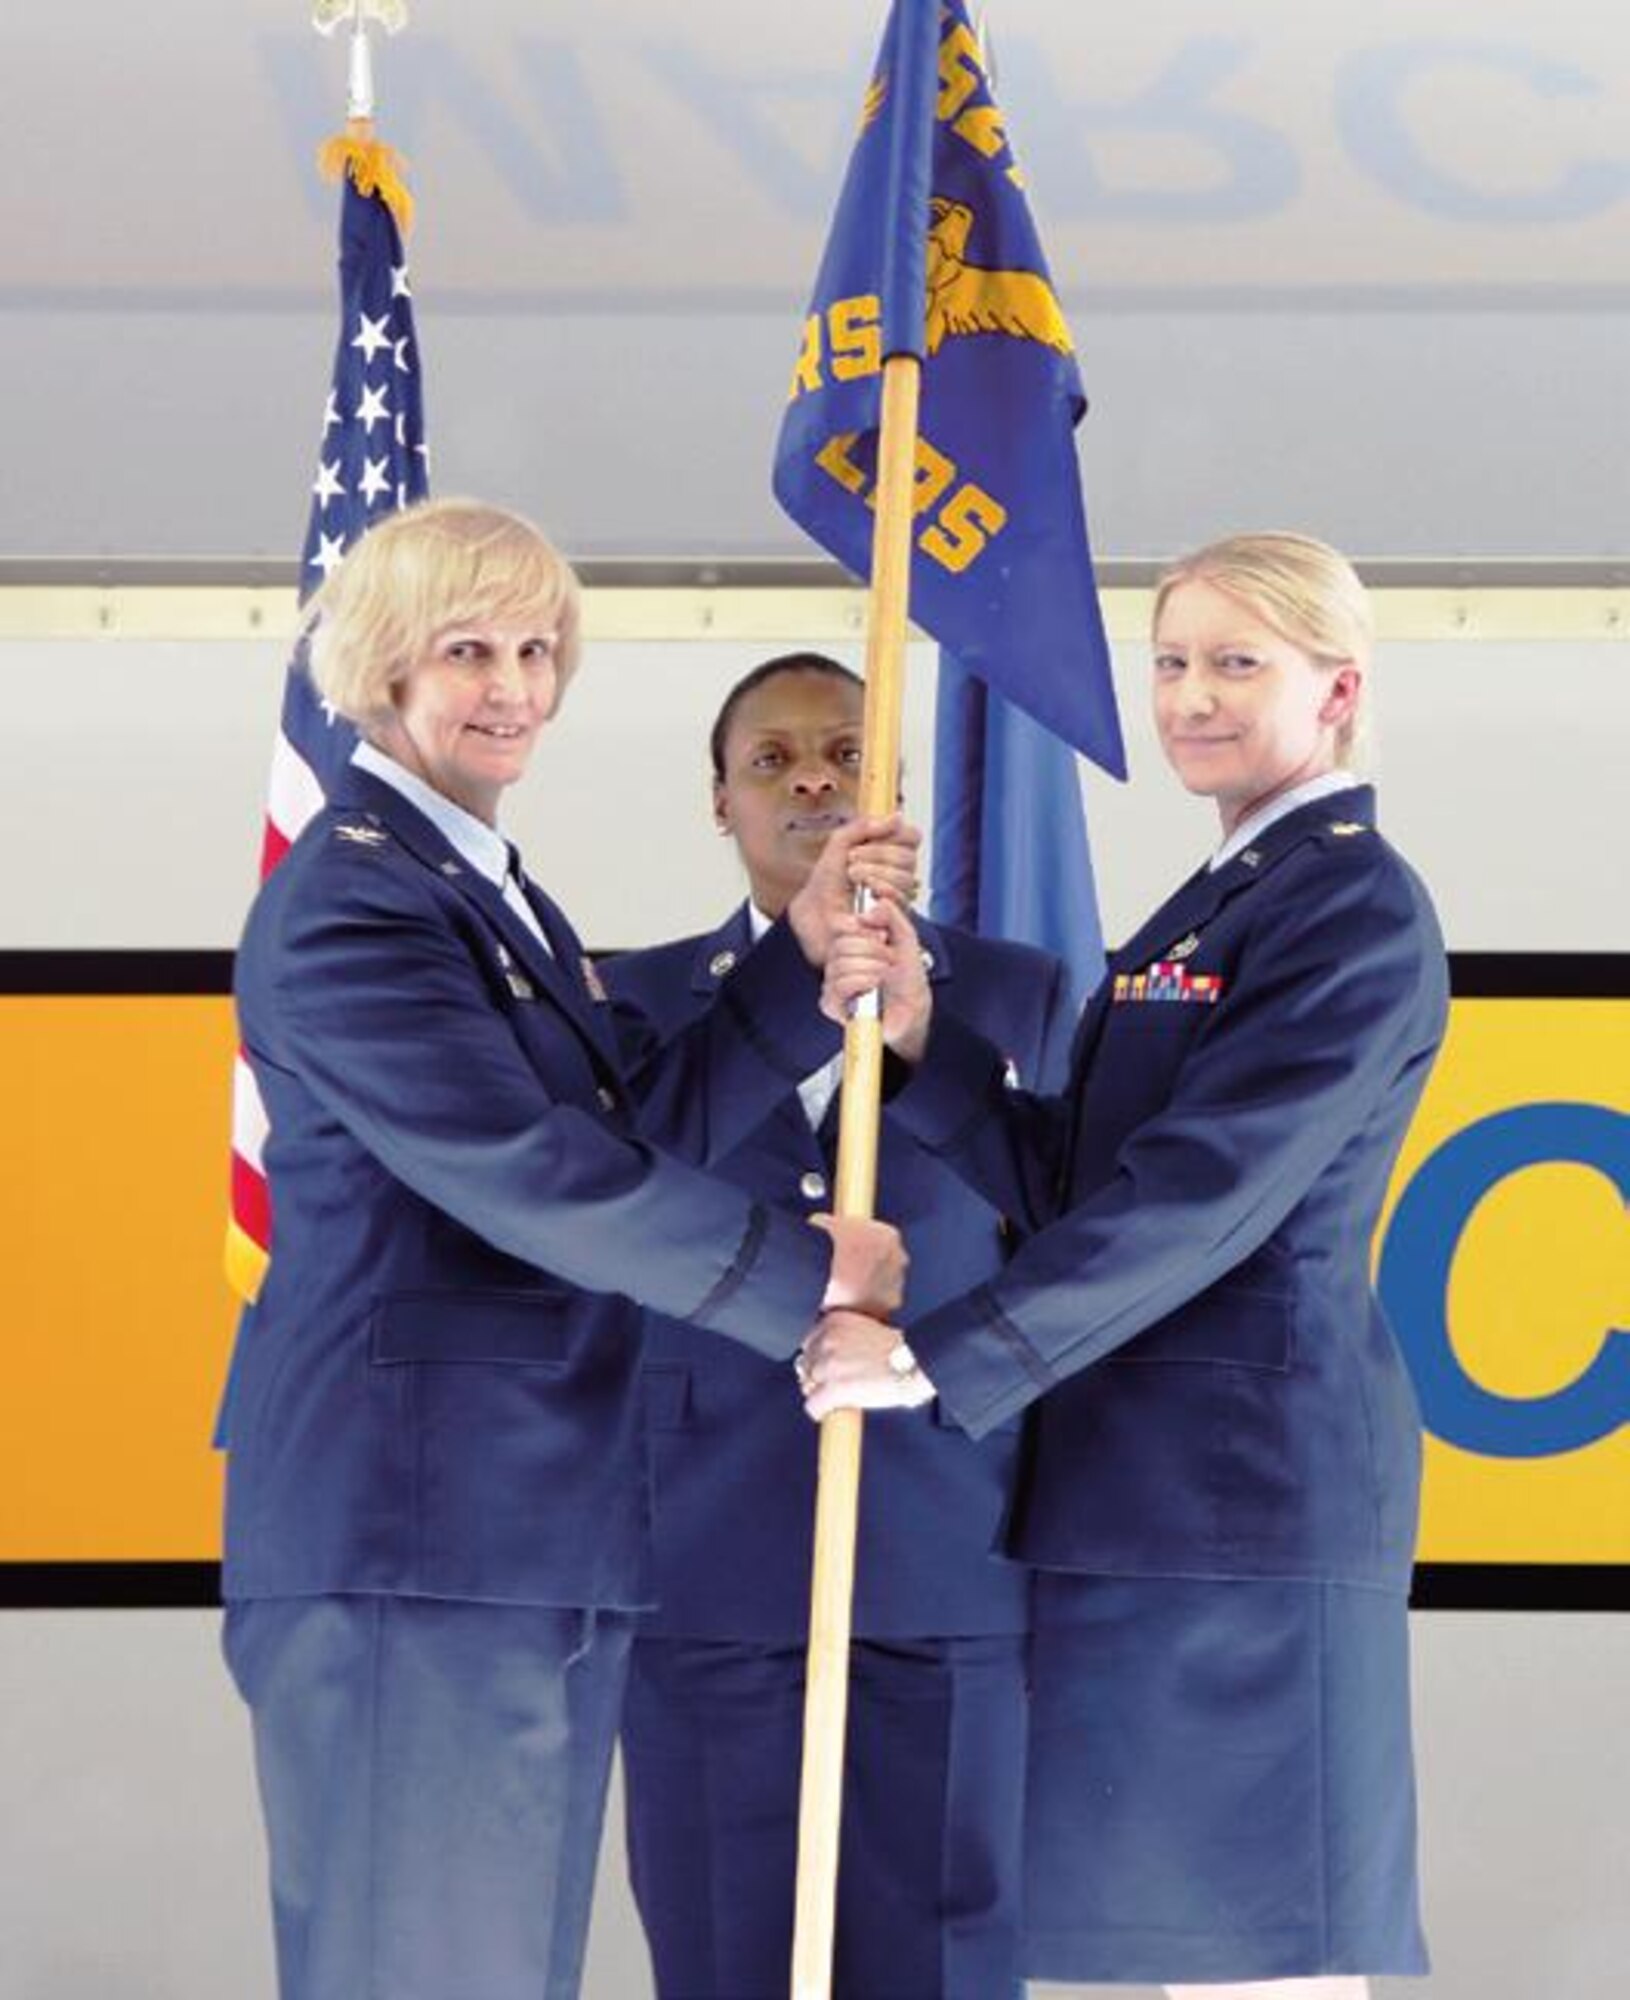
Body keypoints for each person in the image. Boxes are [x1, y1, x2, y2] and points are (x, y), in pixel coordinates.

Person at [218, 500, 909, 2000]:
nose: (513, 684)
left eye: (536, 648)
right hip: (421, 1537)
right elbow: (527, 1178)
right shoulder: (352, 899)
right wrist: (808, 1281)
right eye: (468, 649)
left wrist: (791, 971)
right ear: (381, 666)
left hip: (518, 1537)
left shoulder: (482, 889)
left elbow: (620, 1130)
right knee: (426, 1967)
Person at [806, 533, 1447, 1999]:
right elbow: (1086, 1180)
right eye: (1168, 662)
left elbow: (1204, 1196)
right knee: (1194, 1959)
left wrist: (928, 1356)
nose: (1189, 698)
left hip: (1235, 1506)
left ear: (1337, 689)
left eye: (1236, 663)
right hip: (1148, 1495)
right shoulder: (1227, 896)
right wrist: (922, 1041)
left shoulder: (1344, 904)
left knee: (1258, 1968)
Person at [602, 653, 1076, 2000]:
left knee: (941, 1960)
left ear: (900, 787)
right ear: (720, 803)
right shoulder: (631, 1000)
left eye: (844, 753)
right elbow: (613, 1200)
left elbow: (1064, 1240)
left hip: (943, 1549)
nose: (811, 776)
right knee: (719, 1956)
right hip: (706, 1560)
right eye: (772, 759)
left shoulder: (1017, 993)